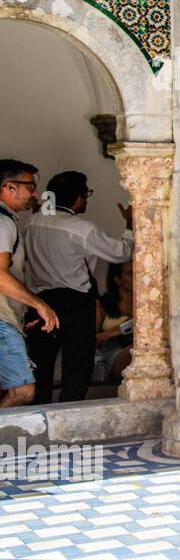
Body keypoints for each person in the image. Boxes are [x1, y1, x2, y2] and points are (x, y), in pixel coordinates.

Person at [23, 171, 133, 404]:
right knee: (77, 366)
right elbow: (121, 252)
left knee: (40, 366)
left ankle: (40, 418)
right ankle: (69, 418)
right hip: (75, 304)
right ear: (77, 199)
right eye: (86, 194)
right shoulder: (81, 228)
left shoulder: (32, 223)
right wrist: (130, 225)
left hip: (39, 302)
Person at [0, 160, 58, 408]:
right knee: (22, 391)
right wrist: (39, 304)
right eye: (31, 186)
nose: (35, 193)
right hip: (2, 320)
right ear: (10, 187)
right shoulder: (3, 222)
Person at [95, 259, 134, 383]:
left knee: (144, 348)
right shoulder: (102, 304)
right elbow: (95, 338)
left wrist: (116, 330)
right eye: (130, 273)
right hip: (112, 355)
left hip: (140, 349)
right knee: (138, 350)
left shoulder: (146, 303)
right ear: (117, 279)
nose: (137, 276)